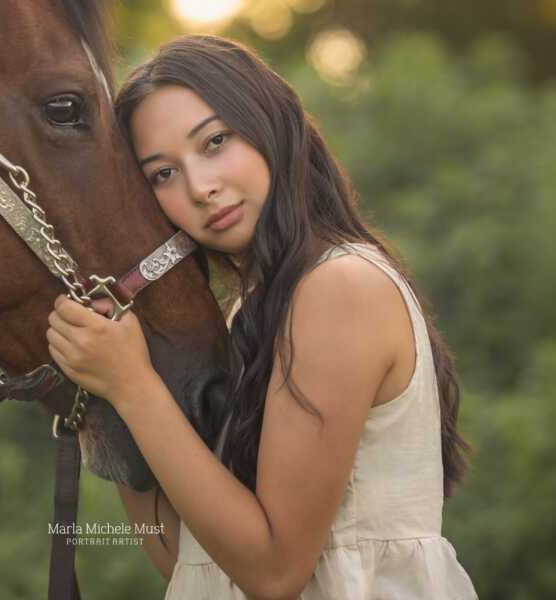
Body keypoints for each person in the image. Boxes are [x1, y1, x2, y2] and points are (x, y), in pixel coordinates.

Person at [46, 35, 477, 599]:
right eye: (162, 174)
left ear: (270, 124)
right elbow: (185, 559)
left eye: (215, 141)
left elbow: (274, 573)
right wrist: (102, 393)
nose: (201, 188)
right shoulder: (251, 311)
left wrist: (133, 387)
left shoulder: (338, 287)